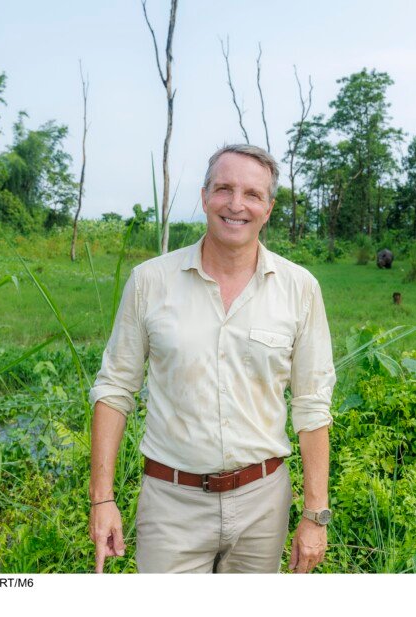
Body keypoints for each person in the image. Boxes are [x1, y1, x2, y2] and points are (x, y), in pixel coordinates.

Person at [87, 144, 336, 574]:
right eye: (224, 189)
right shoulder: (150, 281)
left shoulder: (300, 288)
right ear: (204, 197)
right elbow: (114, 389)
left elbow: (312, 404)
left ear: (269, 208)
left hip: (263, 504)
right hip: (171, 503)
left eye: (252, 194)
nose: (236, 205)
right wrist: (102, 498)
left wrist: (315, 516)